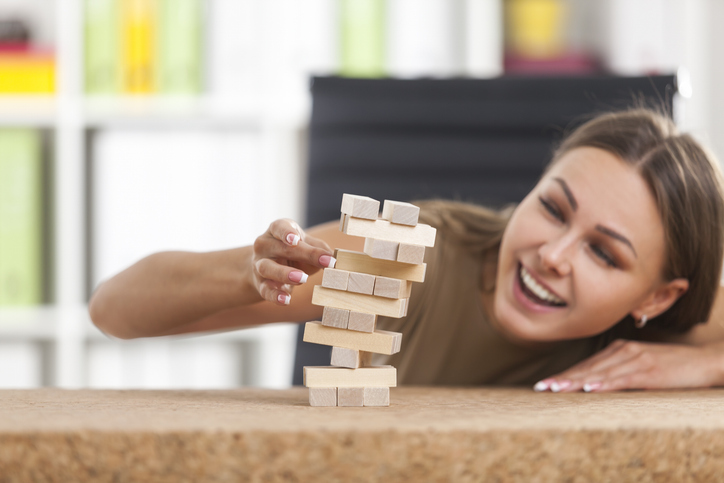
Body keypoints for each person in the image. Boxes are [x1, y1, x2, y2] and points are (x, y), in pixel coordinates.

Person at [89, 108, 724, 393]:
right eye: (552, 208)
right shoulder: (405, 259)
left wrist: (704, 366)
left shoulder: (682, 315)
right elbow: (112, 309)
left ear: (659, 296)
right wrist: (246, 271)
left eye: (604, 254)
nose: (553, 255)